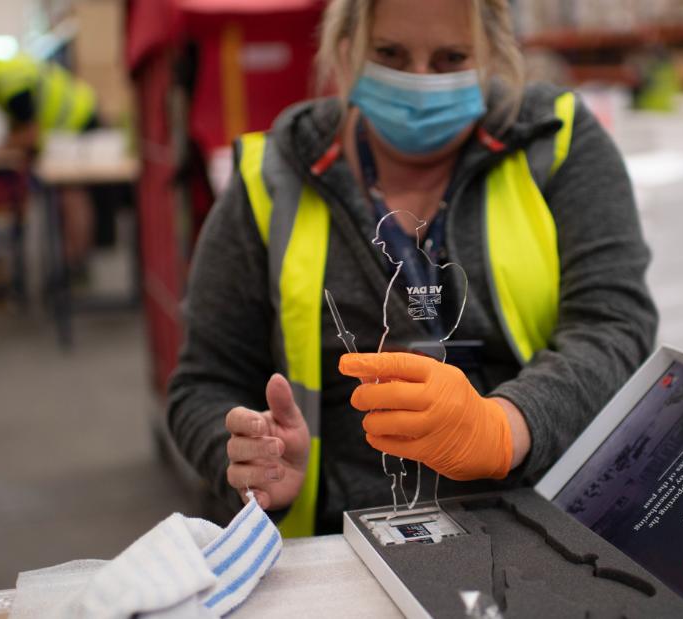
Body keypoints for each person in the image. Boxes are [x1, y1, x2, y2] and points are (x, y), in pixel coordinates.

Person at [168, 0, 658, 536]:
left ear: (493, 52)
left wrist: (506, 427)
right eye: (390, 54)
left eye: (450, 57)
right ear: (347, 44)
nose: (419, 81)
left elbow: (613, 325)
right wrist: (252, 463)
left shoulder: (554, 143)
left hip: (545, 529)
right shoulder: (274, 180)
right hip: (339, 544)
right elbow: (205, 382)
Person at [0, 53, 100, 267]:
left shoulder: (8, 84)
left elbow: (30, 135)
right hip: (60, 128)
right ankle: (68, 263)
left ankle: (77, 262)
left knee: (72, 193)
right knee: (62, 194)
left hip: (77, 118)